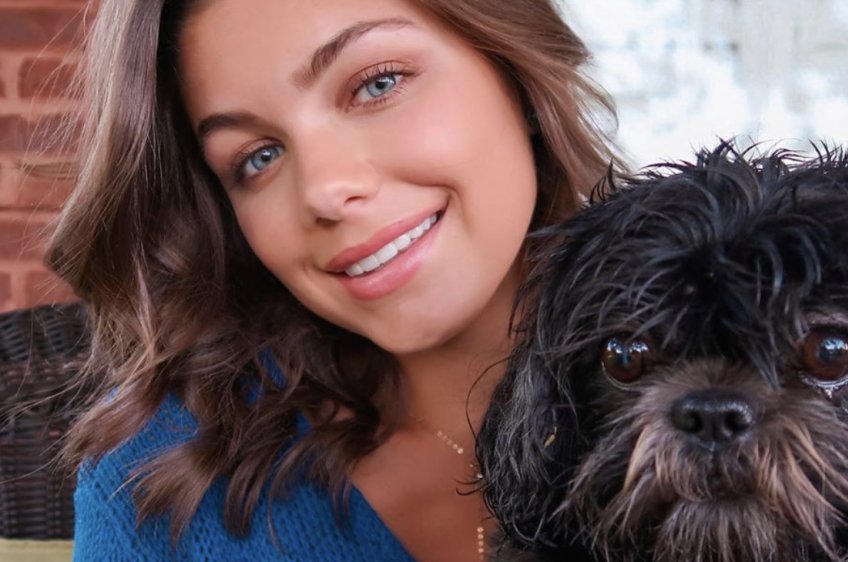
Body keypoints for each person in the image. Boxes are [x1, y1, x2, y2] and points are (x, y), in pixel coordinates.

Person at [46, 0, 618, 560]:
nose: (323, 190)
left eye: (377, 84)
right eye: (258, 156)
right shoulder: (155, 487)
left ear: (515, 72)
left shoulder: (700, 391)